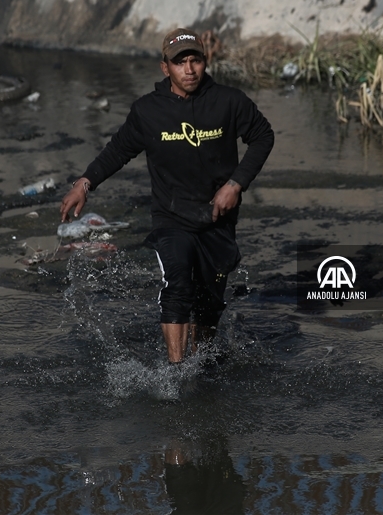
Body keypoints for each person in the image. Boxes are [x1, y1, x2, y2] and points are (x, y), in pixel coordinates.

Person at [60, 28, 274, 363]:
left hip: (218, 218)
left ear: (205, 62)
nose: (189, 70)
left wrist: (236, 184)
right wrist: (85, 183)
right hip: (171, 216)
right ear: (165, 68)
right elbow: (118, 151)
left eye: (195, 60)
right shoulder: (148, 111)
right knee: (178, 285)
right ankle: (177, 370)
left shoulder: (229, 102)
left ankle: (200, 367)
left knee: (209, 301)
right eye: (180, 63)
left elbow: (263, 135)